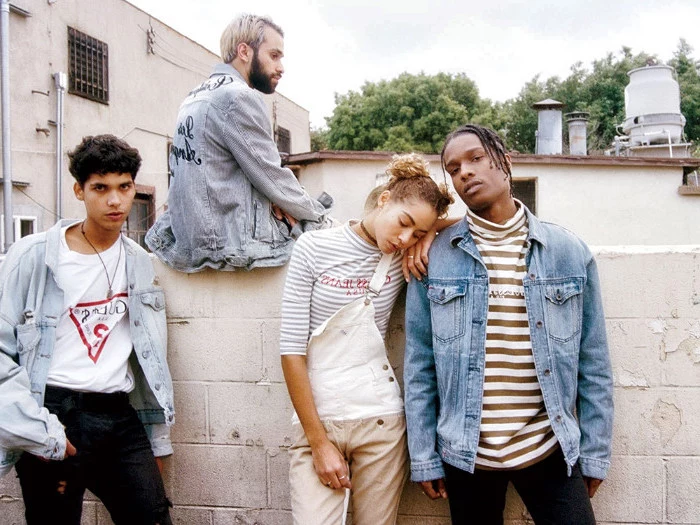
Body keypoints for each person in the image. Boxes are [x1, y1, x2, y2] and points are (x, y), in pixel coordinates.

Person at [404, 124, 613, 524]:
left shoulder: (567, 252)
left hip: (549, 448)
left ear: (506, 162)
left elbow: (594, 362)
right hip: (466, 454)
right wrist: (424, 457)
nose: (464, 172)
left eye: (475, 158)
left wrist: (595, 453)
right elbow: (419, 366)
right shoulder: (434, 258)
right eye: (453, 168)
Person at [0, 135, 175, 524]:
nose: (115, 201)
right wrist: (39, 428)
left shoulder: (140, 262)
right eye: (101, 188)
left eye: (124, 187)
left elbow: (149, 355)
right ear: (79, 190)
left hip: (118, 414)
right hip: (54, 412)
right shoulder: (34, 256)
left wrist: (157, 436)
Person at [280, 154, 453, 525]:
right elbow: (292, 352)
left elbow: (472, 221)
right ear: (384, 199)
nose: (405, 238)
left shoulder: (400, 254)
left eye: (417, 234)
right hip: (317, 422)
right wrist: (319, 443)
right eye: (404, 223)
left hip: (381, 423)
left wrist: (433, 233)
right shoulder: (314, 248)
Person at [146, 13, 332, 273]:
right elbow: (272, 177)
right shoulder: (237, 97)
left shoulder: (194, 96)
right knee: (318, 228)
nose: (281, 67)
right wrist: (319, 216)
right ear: (244, 51)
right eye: (274, 55)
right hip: (227, 245)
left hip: (189, 241)